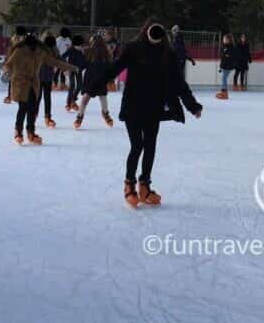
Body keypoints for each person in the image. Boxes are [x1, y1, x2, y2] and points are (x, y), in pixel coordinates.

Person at [85, 20, 202, 208]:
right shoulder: (133, 49)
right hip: (133, 105)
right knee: (137, 145)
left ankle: (145, 184)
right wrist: (93, 86)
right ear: (146, 32)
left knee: (150, 145)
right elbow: (114, 68)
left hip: (154, 107)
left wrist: (192, 105)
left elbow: (178, 82)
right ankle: (129, 184)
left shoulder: (167, 54)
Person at [3, 32, 76, 144]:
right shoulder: (19, 51)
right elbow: (9, 63)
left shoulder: (40, 52)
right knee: (23, 108)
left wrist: (71, 67)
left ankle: (31, 132)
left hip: (33, 84)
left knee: (32, 109)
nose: (33, 46)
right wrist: (7, 70)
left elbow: (54, 62)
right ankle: (18, 131)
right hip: (20, 83)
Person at [75, 35, 114, 129]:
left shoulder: (105, 52)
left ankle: (80, 117)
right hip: (92, 79)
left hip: (97, 78)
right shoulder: (89, 51)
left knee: (96, 97)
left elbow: (110, 66)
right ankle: (105, 114)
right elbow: (84, 63)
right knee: (100, 97)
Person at [39, 33, 61, 128]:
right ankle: (33, 115)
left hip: (48, 76)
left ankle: (48, 117)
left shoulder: (54, 49)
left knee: (47, 97)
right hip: (38, 77)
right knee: (37, 98)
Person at [63, 34, 87, 112]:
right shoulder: (71, 49)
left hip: (78, 70)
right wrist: (65, 67)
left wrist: (84, 67)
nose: (79, 47)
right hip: (71, 69)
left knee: (80, 85)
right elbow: (63, 56)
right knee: (72, 85)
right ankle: (68, 103)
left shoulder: (82, 51)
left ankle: (72, 100)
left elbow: (85, 61)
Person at [3, 25, 27, 104]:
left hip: (18, 62)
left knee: (15, 79)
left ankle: (13, 96)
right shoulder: (15, 39)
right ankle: (11, 95)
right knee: (14, 79)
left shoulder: (14, 39)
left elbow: (9, 51)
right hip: (17, 62)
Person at [217, 33, 236, 100]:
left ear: (228, 40)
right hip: (224, 65)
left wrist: (226, 55)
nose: (223, 40)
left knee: (223, 79)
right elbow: (223, 57)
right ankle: (224, 93)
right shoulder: (224, 46)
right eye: (223, 39)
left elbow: (230, 56)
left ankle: (224, 93)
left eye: (224, 39)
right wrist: (220, 66)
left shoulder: (231, 47)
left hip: (228, 66)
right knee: (223, 79)